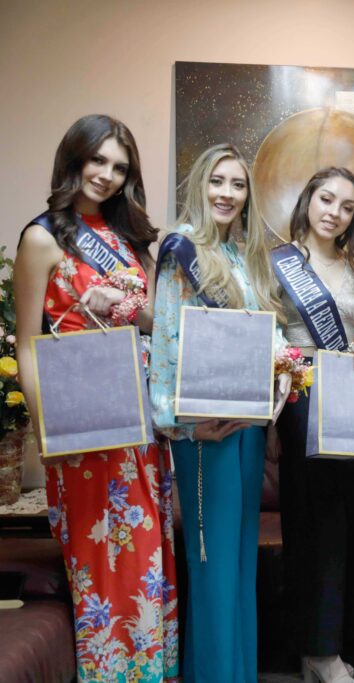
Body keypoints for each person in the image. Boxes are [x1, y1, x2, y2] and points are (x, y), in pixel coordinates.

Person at [13, 114, 179, 681]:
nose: (107, 176)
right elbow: (30, 349)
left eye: (120, 167)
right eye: (98, 161)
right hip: (83, 427)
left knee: (146, 559)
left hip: (140, 429)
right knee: (103, 562)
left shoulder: (129, 239)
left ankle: (149, 673)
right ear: (74, 159)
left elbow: (157, 324)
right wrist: (47, 434)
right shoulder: (42, 238)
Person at [149, 143, 291, 683]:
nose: (227, 194)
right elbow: (166, 333)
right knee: (212, 569)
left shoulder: (242, 256)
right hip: (203, 427)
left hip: (248, 426)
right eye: (217, 182)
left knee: (237, 566)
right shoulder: (183, 248)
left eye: (237, 184)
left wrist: (282, 371)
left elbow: (264, 335)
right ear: (199, 187)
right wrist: (177, 422)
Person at [272, 167, 354, 683]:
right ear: (308, 199)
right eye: (327, 199)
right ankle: (318, 651)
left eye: (347, 206)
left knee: (346, 523)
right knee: (313, 521)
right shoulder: (278, 263)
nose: (334, 212)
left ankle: (324, 643)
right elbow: (266, 331)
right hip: (301, 398)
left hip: (351, 403)